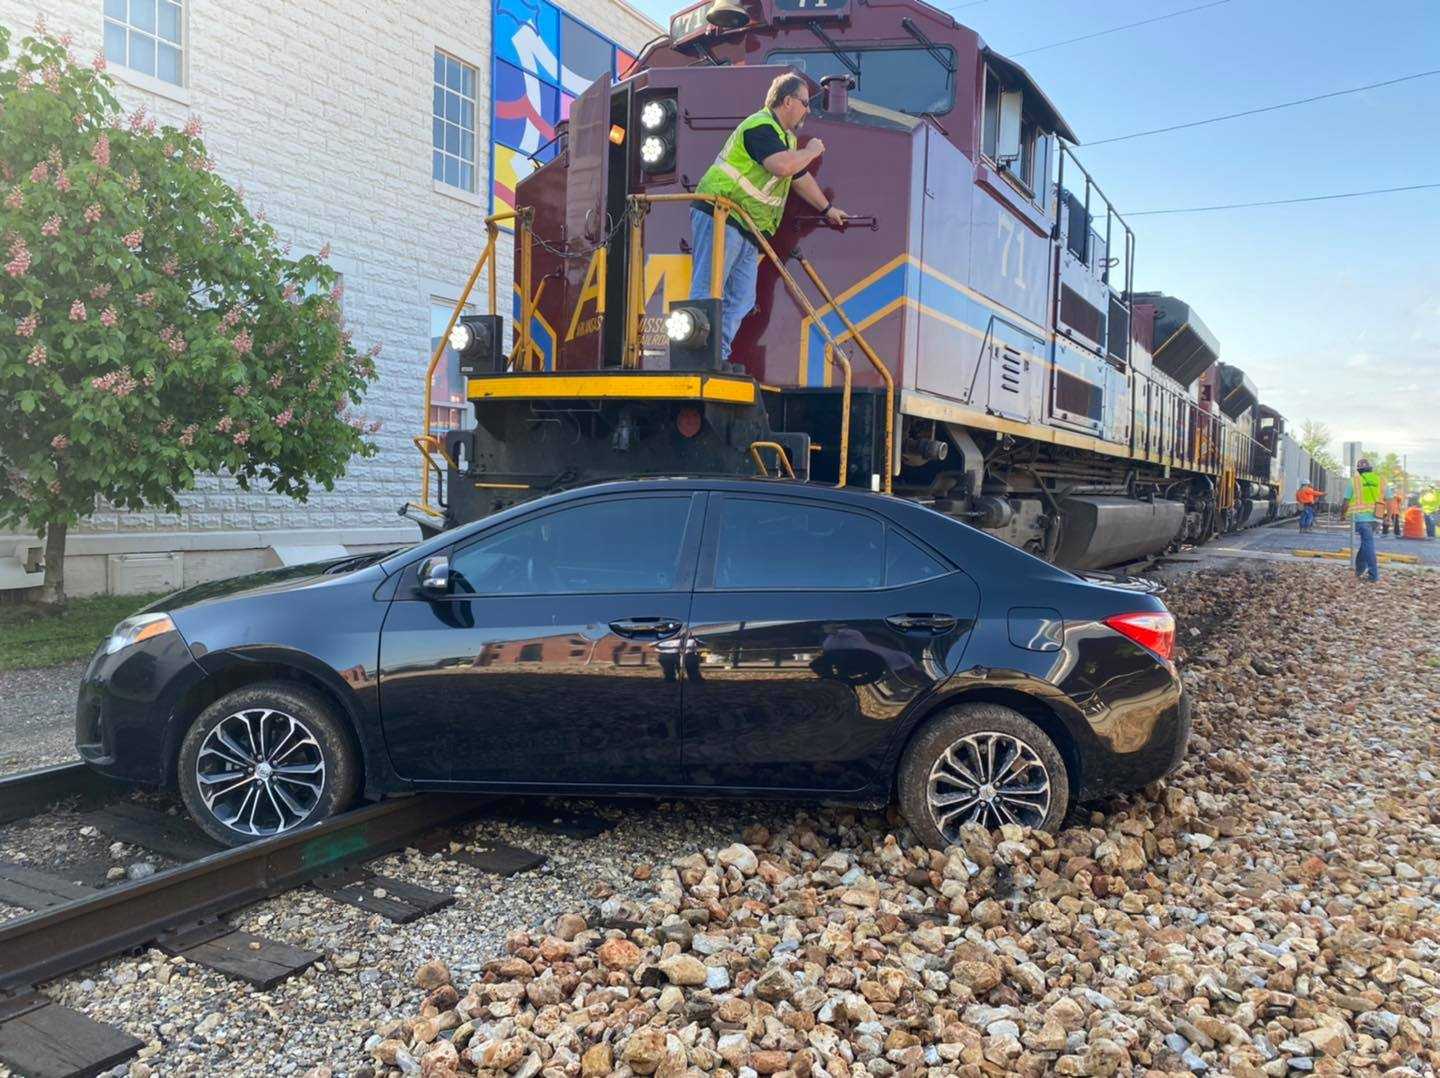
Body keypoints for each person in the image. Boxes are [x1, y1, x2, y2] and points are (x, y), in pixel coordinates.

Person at [690, 72, 849, 362]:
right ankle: (698, 356)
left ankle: (717, 357)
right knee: (710, 288)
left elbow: (798, 177)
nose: (808, 110)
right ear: (787, 101)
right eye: (804, 102)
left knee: (741, 298)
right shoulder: (760, 127)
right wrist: (811, 151)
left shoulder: (783, 138)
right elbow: (784, 167)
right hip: (721, 214)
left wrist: (827, 209)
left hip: (747, 227)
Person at [1341, 458, 1383, 582]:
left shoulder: (1354, 481)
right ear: (1371, 468)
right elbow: (1390, 499)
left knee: (1368, 544)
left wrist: (1342, 515)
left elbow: (1346, 501)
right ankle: (1359, 569)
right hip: (1377, 517)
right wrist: (1389, 518)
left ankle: (1373, 575)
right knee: (1366, 543)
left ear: (1358, 470)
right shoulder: (1381, 480)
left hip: (1361, 518)